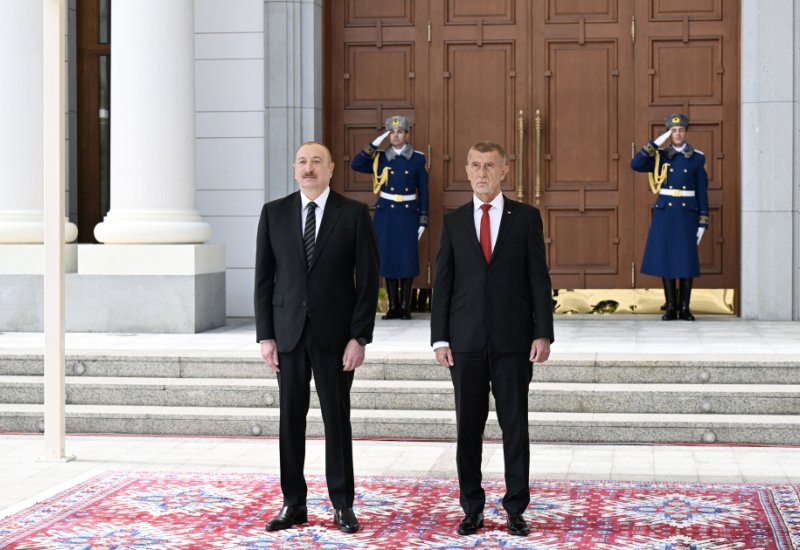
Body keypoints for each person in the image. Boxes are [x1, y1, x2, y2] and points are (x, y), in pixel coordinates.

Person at [254, 141, 379, 534]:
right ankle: (294, 503)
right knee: (290, 420)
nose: (309, 169)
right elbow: (263, 279)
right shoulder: (274, 213)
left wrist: (359, 337)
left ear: (330, 170)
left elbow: (367, 281)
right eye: (302, 162)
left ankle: (342, 504)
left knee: (336, 420)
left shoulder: (354, 214)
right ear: (295, 170)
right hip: (288, 336)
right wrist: (266, 336)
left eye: (316, 162)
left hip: (336, 339)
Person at [430, 141, 554, 537]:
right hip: (465, 343)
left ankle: (516, 508)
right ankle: (472, 508)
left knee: (515, 427)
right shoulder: (453, 221)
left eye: (490, 165)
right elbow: (443, 285)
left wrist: (543, 332)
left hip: (514, 341)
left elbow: (539, 278)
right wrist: (439, 339)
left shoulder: (527, 218)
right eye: (476, 165)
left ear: (504, 171)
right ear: (466, 170)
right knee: (468, 428)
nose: (482, 172)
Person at [631, 113, 709, 321]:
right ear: (669, 133)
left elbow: (702, 191)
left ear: (685, 132)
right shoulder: (660, 155)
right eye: (673, 131)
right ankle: (671, 307)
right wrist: (657, 143)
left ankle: (685, 307)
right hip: (666, 213)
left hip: (686, 213)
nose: (677, 134)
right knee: (666, 259)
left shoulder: (697, 157)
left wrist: (703, 221)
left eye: (681, 130)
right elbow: (636, 164)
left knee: (686, 260)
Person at [351, 115, 429, 320]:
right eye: (392, 132)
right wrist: (375, 142)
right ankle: (393, 306)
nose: (396, 135)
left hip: (408, 212)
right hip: (386, 214)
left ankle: (405, 307)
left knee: (407, 258)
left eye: (400, 131)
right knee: (388, 258)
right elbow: (357, 164)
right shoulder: (380, 157)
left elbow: (424, 190)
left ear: (407, 134)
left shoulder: (418, 158)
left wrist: (423, 218)